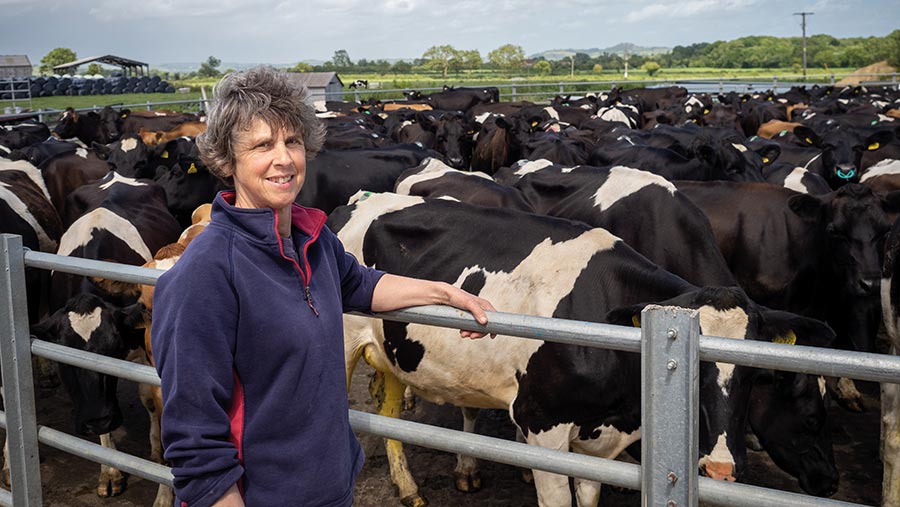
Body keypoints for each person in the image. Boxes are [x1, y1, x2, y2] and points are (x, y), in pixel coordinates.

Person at [150, 66, 495, 507]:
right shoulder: (207, 272)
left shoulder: (313, 239)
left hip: (331, 486)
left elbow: (361, 284)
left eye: (292, 141)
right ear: (225, 159)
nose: (284, 158)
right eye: (262, 145)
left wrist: (446, 293)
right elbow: (194, 436)